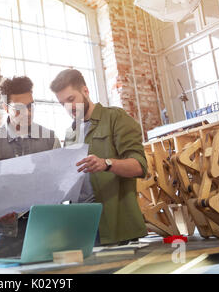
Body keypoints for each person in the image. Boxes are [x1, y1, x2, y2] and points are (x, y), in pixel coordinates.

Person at [50, 69, 148, 246]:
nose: (68, 107)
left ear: (85, 91)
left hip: (114, 227)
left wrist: (106, 164)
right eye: (62, 103)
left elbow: (139, 166)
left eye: (71, 99)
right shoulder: (71, 133)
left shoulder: (115, 118)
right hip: (81, 227)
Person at [0, 76, 61, 261]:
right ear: (6, 108)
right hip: (7, 234)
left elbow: (59, 184)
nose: (28, 113)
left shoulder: (50, 139)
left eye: (31, 106)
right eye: (20, 108)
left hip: (45, 229)